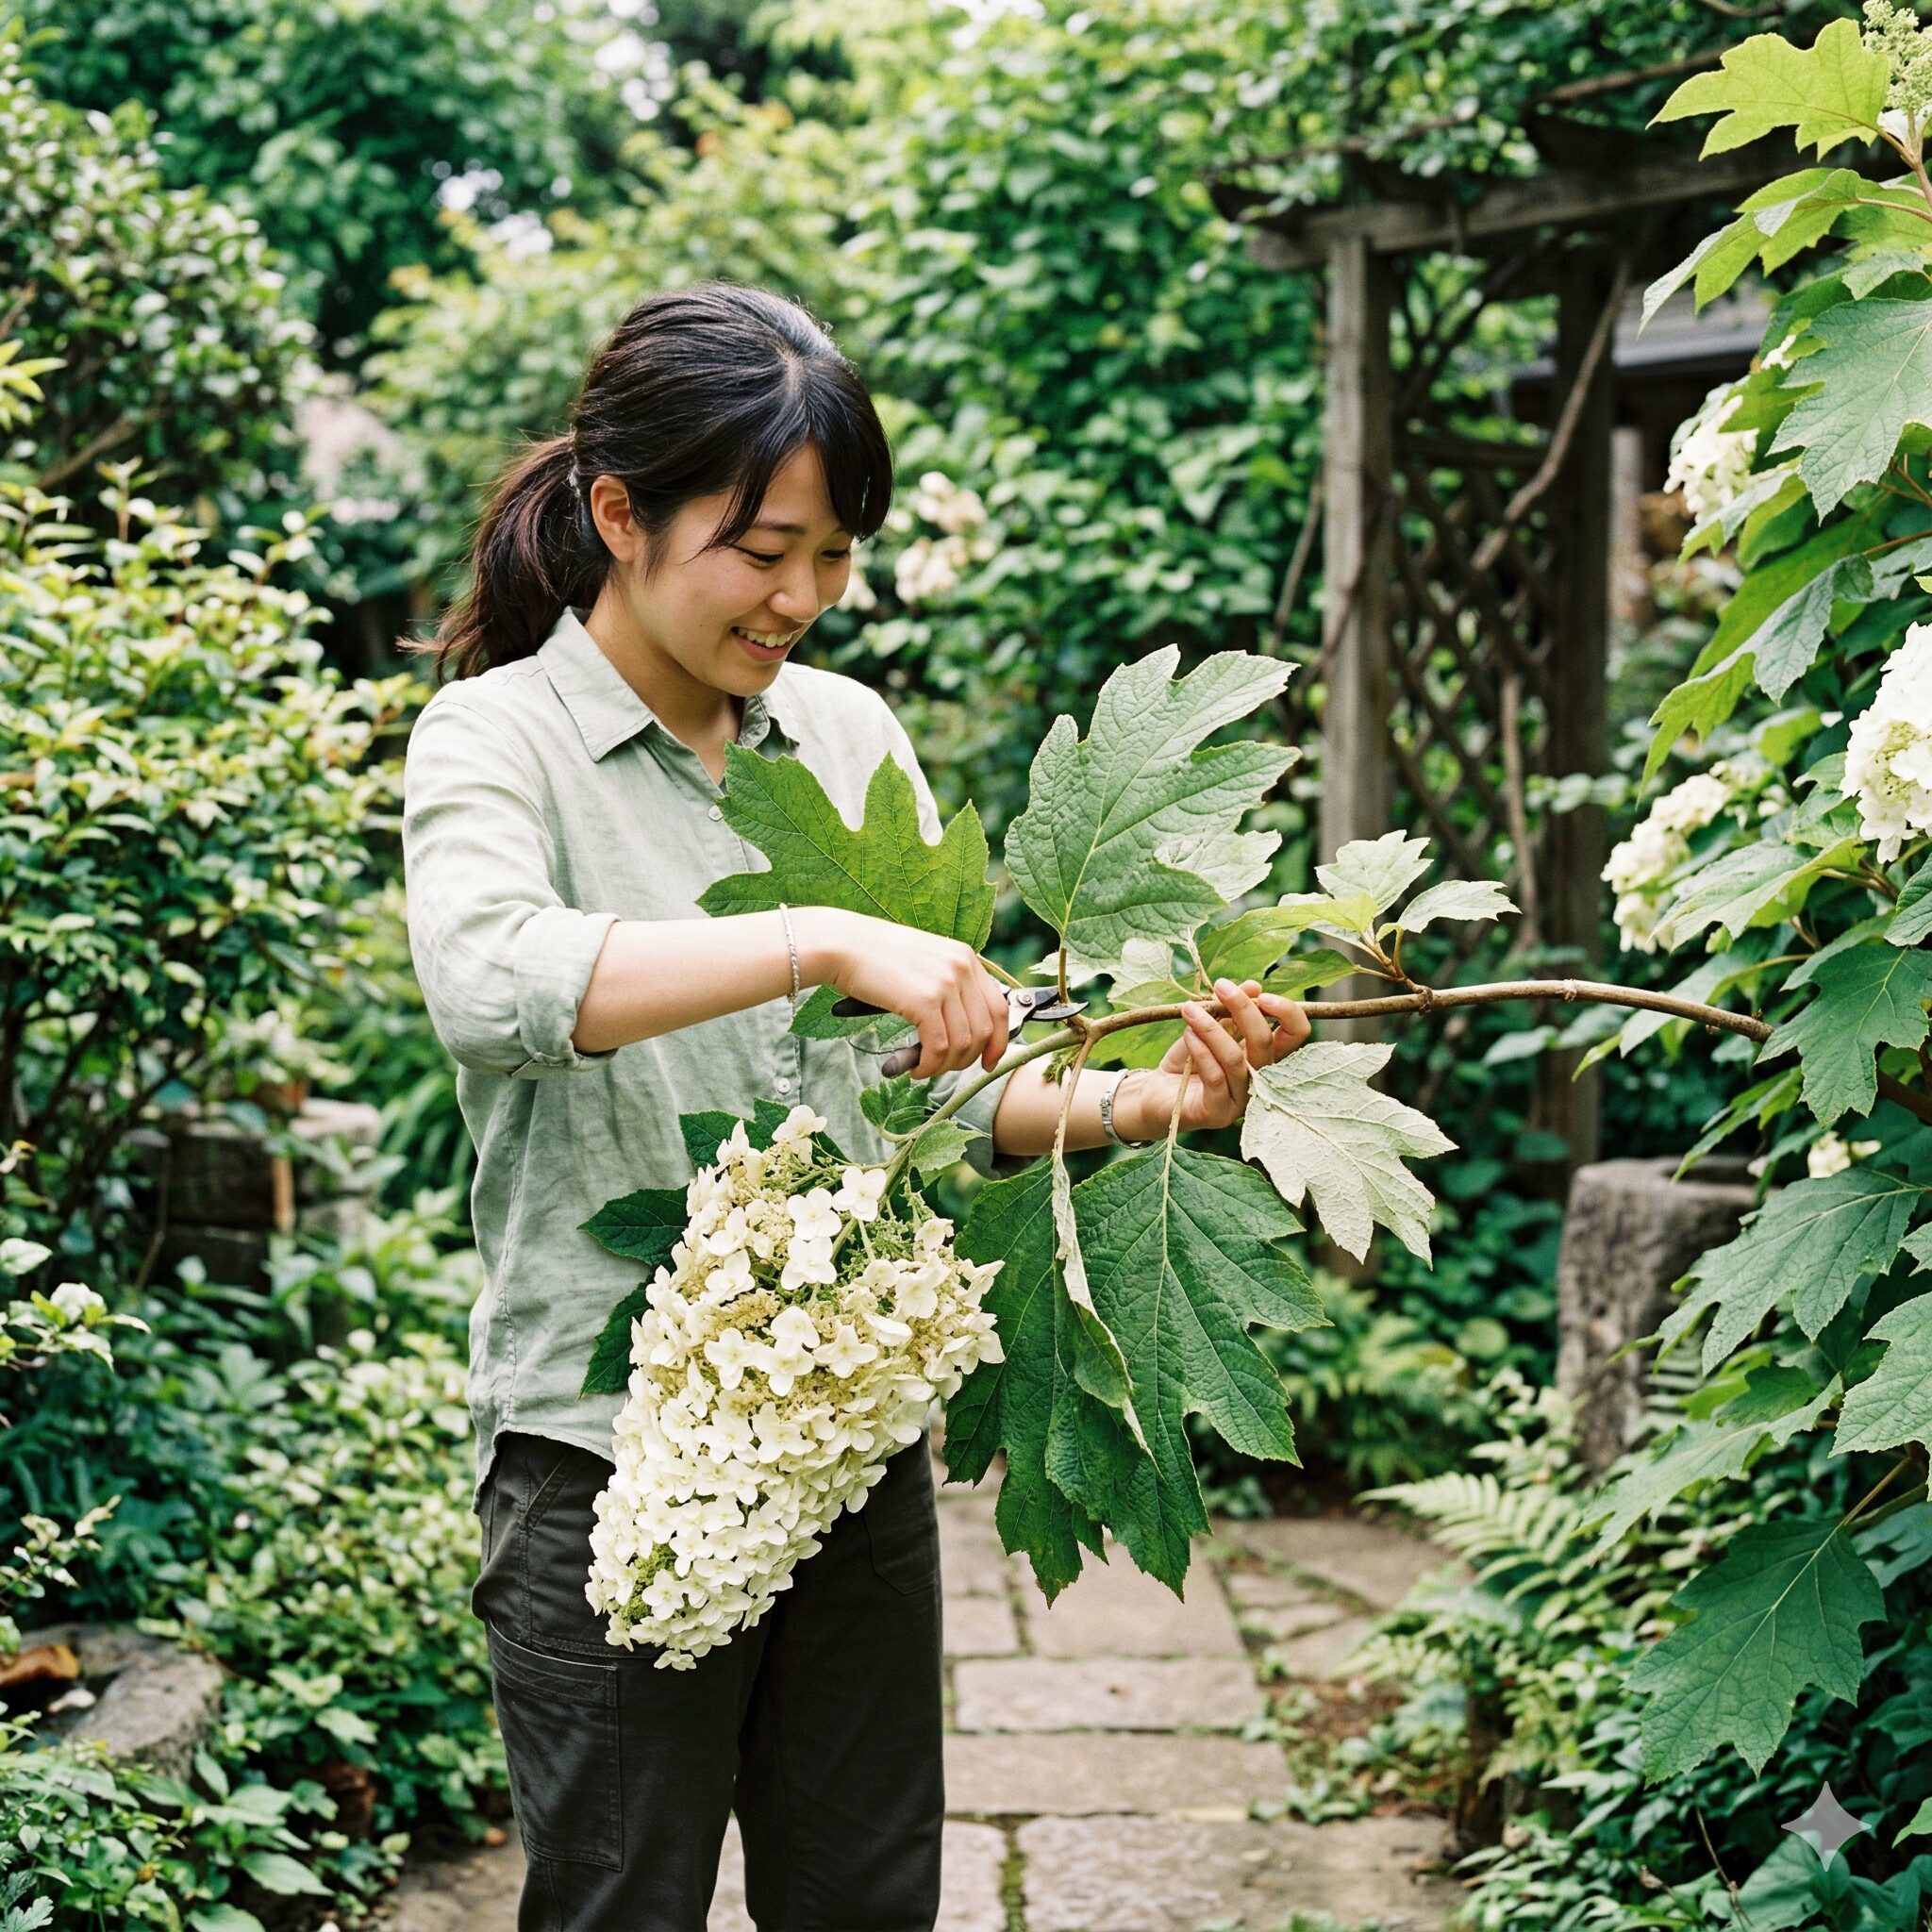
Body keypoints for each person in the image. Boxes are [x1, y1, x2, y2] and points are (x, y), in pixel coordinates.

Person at [399, 280, 1310, 1932]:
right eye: (764, 549)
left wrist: (1157, 1097)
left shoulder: (843, 733)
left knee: (868, 1904)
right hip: (606, 1459)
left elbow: (936, 1093)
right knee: (620, 1910)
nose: (804, 598)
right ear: (620, 514)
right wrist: (817, 937)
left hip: (848, 1448)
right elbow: (490, 984)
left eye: (834, 554)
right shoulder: (496, 742)